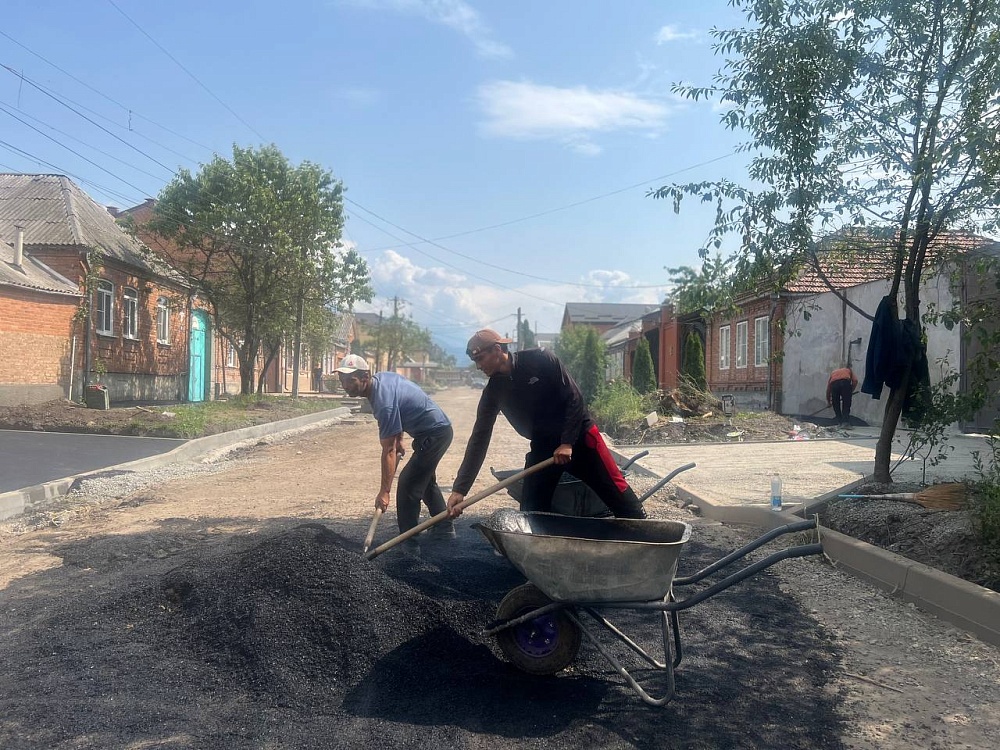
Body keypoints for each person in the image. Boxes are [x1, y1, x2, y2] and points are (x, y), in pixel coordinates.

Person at [446, 329, 646, 520]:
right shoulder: (493, 391)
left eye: (480, 359)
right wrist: (460, 489)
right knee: (531, 510)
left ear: (497, 349)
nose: (478, 366)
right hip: (544, 447)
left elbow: (574, 398)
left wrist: (567, 442)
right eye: (475, 361)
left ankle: (645, 529)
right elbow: (479, 438)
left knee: (619, 495)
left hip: (581, 438)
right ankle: (540, 541)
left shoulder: (540, 359)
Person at [335, 353, 455, 549]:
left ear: (365, 376)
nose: (345, 385)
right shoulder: (380, 382)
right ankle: (444, 528)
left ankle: (409, 544)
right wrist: (399, 438)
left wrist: (384, 492)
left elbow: (389, 450)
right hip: (433, 431)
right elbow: (400, 403)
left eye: (350, 380)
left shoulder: (383, 403)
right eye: (342, 380)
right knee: (424, 480)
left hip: (435, 434)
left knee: (408, 484)